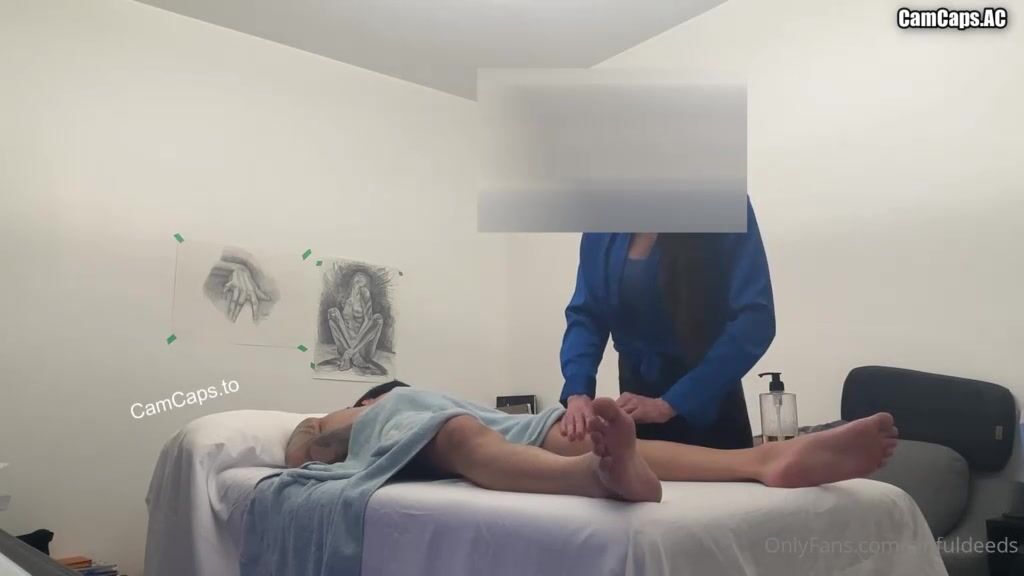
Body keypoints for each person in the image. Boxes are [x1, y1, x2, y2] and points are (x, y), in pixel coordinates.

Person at [284, 382, 898, 504]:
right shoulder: (351, 412)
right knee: (461, 435)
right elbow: (298, 452)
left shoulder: (420, 393)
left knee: (569, 435)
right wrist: (338, 425)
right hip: (429, 432)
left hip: (497, 424)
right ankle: (594, 478)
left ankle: (763, 459)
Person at [560, 198, 776, 449]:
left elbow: (755, 321)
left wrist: (672, 403)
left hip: (709, 409)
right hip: (633, 411)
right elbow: (587, 314)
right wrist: (578, 391)